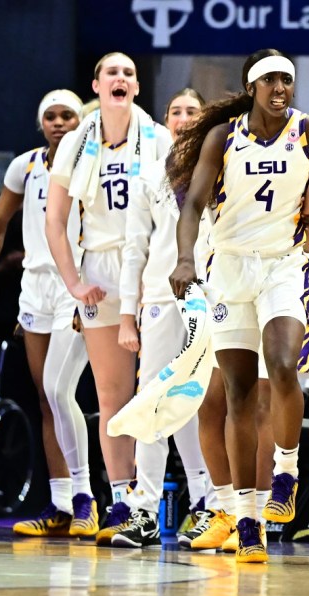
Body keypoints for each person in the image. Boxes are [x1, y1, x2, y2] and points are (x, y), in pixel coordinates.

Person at [168, 48, 309, 563]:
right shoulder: (224, 137)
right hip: (230, 269)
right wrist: (183, 260)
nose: (280, 87)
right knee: (238, 395)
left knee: (283, 368)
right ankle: (246, 520)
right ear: (251, 87)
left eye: (287, 78)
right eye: (270, 80)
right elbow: (194, 203)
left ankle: (286, 471)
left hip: (283, 265)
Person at [45, 52, 172, 539]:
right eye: (111, 73)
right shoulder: (76, 142)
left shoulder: (158, 139)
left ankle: (172, 498)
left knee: (158, 392)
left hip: (150, 268)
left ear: (136, 88)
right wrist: (74, 282)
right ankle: (121, 503)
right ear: (96, 85)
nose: (120, 79)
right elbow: (54, 221)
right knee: (112, 396)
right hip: (99, 266)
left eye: (128, 73)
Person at [0, 89, 88, 537]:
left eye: (67, 115)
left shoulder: (93, 162)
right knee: (45, 398)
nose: (59, 123)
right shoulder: (26, 165)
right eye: (51, 117)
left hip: (76, 286)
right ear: (42, 124)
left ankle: (88, 497)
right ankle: (60, 504)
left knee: (64, 394)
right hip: (34, 288)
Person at [113, 88, 213, 547]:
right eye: (176, 111)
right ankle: (144, 511)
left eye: (194, 111)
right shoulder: (149, 174)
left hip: (208, 297)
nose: (185, 118)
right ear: (166, 120)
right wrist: (125, 315)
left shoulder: (223, 167)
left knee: (200, 400)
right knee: (153, 399)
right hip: (157, 296)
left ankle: (209, 504)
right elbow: (134, 248)